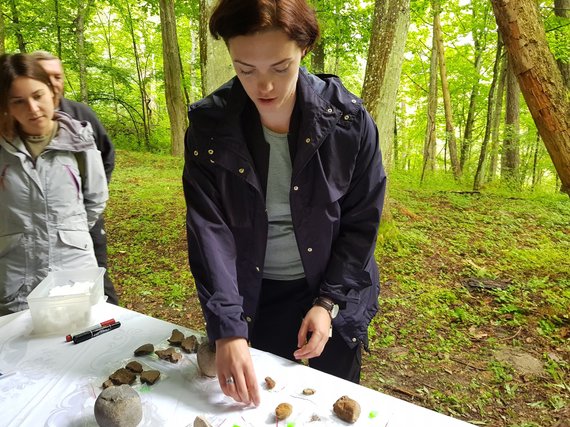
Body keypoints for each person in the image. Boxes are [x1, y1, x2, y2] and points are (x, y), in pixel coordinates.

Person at [182, 0, 386, 406]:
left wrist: (328, 303)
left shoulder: (347, 121)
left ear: (304, 50)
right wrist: (228, 328)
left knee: (335, 402)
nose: (265, 87)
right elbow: (209, 231)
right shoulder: (210, 127)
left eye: (280, 67)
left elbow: (361, 222)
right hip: (257, 292)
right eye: (245, 70)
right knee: (258, 403)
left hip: (334, 288)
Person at [0, 53, 109, 315]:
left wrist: (69, 234)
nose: (33, 109)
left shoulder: (80, 141)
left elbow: (95, 200)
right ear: (7, 106)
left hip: (74, 273)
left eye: (37, 96)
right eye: (19, 101)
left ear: (52, 92)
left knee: (82, 347)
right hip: (15, 279)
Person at [31, 51, 118, 305]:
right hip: (33, 236)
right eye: (45, 77)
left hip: (82, 224)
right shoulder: (15, 123)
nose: (53, 82)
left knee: (97, 283)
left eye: (57, 76)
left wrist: (81, 206)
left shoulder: (81, 115)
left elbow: (105, 157)